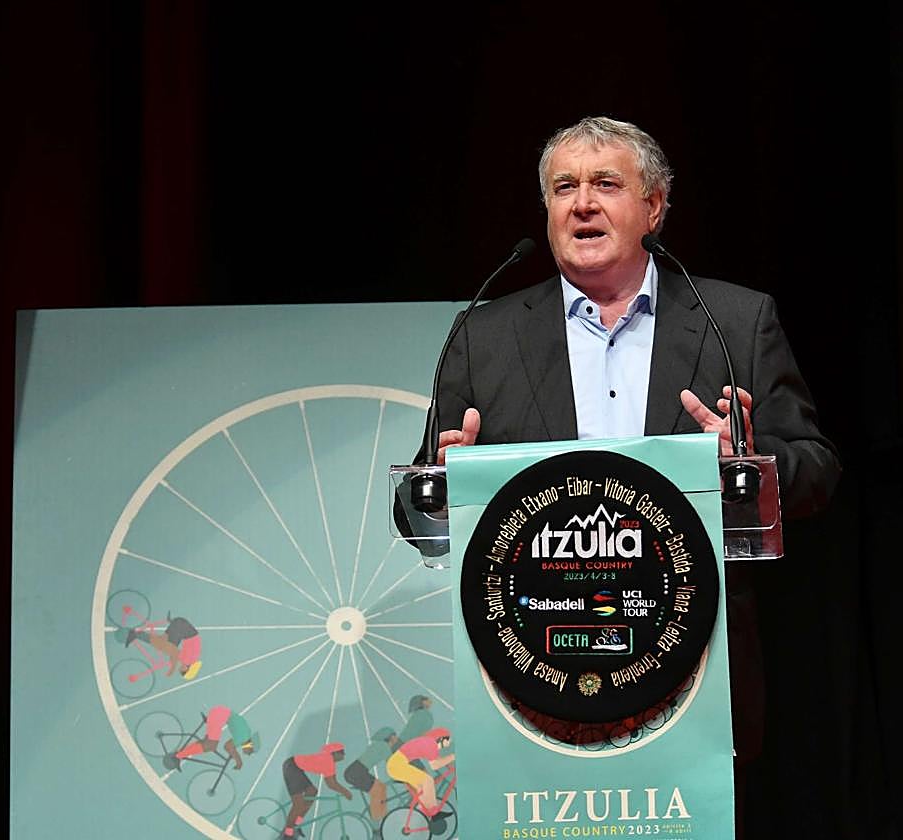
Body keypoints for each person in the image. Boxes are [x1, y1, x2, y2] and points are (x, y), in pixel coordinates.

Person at [427, 115, 841, 836]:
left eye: (606, 184)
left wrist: (745, 465)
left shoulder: (734, 321)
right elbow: (422, 508)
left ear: (654, 206)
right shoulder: (482, 336)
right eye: (564, 188)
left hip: (696, 678)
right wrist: (446, 482)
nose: (583, 203)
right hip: (530, 680)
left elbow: (817, 470)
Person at [280, 742, 351, 839]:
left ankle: (296, 824)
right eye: (341, 752)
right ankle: (287, 834)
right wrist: (345, 792)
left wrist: (344, 791)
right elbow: (331, 784)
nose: (344, 754)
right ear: (334, 753)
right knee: (298, 804)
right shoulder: (328, 761)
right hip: (291, 767)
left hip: (296, 767)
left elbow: (333, 781)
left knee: (312, 792)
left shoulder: (331, 762)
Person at [386, 727, 455, 820]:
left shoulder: (428, 742)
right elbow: (435, 765)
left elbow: (438, 759)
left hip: (395, 765)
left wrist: (450, 762)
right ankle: (434, 813)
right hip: (397, 766)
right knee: (427, 780)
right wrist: (453, 756)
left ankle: (421, 813)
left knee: (421, 788)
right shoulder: (431, 744)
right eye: (448, 740)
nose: (448, 744)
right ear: (441, 738)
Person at [170, 705, 259, 771]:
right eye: (250, 752)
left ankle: (180, 754)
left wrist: (234, 754)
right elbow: (228, 746)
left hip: (220, 714)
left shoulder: (246, 735)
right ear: (250, 745)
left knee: (206, 743)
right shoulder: (244, 738)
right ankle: (178, 756)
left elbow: (231, 746)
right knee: (210, 746)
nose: (247, 754)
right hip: (220, 716)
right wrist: (239, 761)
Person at [343, 726, 399, 820]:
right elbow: (391, 764)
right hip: (357, 771)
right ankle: (376, 819)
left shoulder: (380, 745)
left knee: (382, 787)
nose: (397, 738)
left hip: (356, 770)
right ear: (391, 737)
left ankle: (383, 816)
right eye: (395, 736)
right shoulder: (384, 747)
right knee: (377, 791)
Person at [125, 613, 202, 680]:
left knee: (162, 640)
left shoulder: (192, 659)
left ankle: (137, 634)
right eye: (182, 672)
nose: (180, 671)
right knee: (163, 646)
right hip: (181, 628)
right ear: (186, 669)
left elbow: (175, 653)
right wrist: (172, 669)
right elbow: (174, 652)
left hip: (181, 624)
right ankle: (135, 635)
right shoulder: (187, 660)